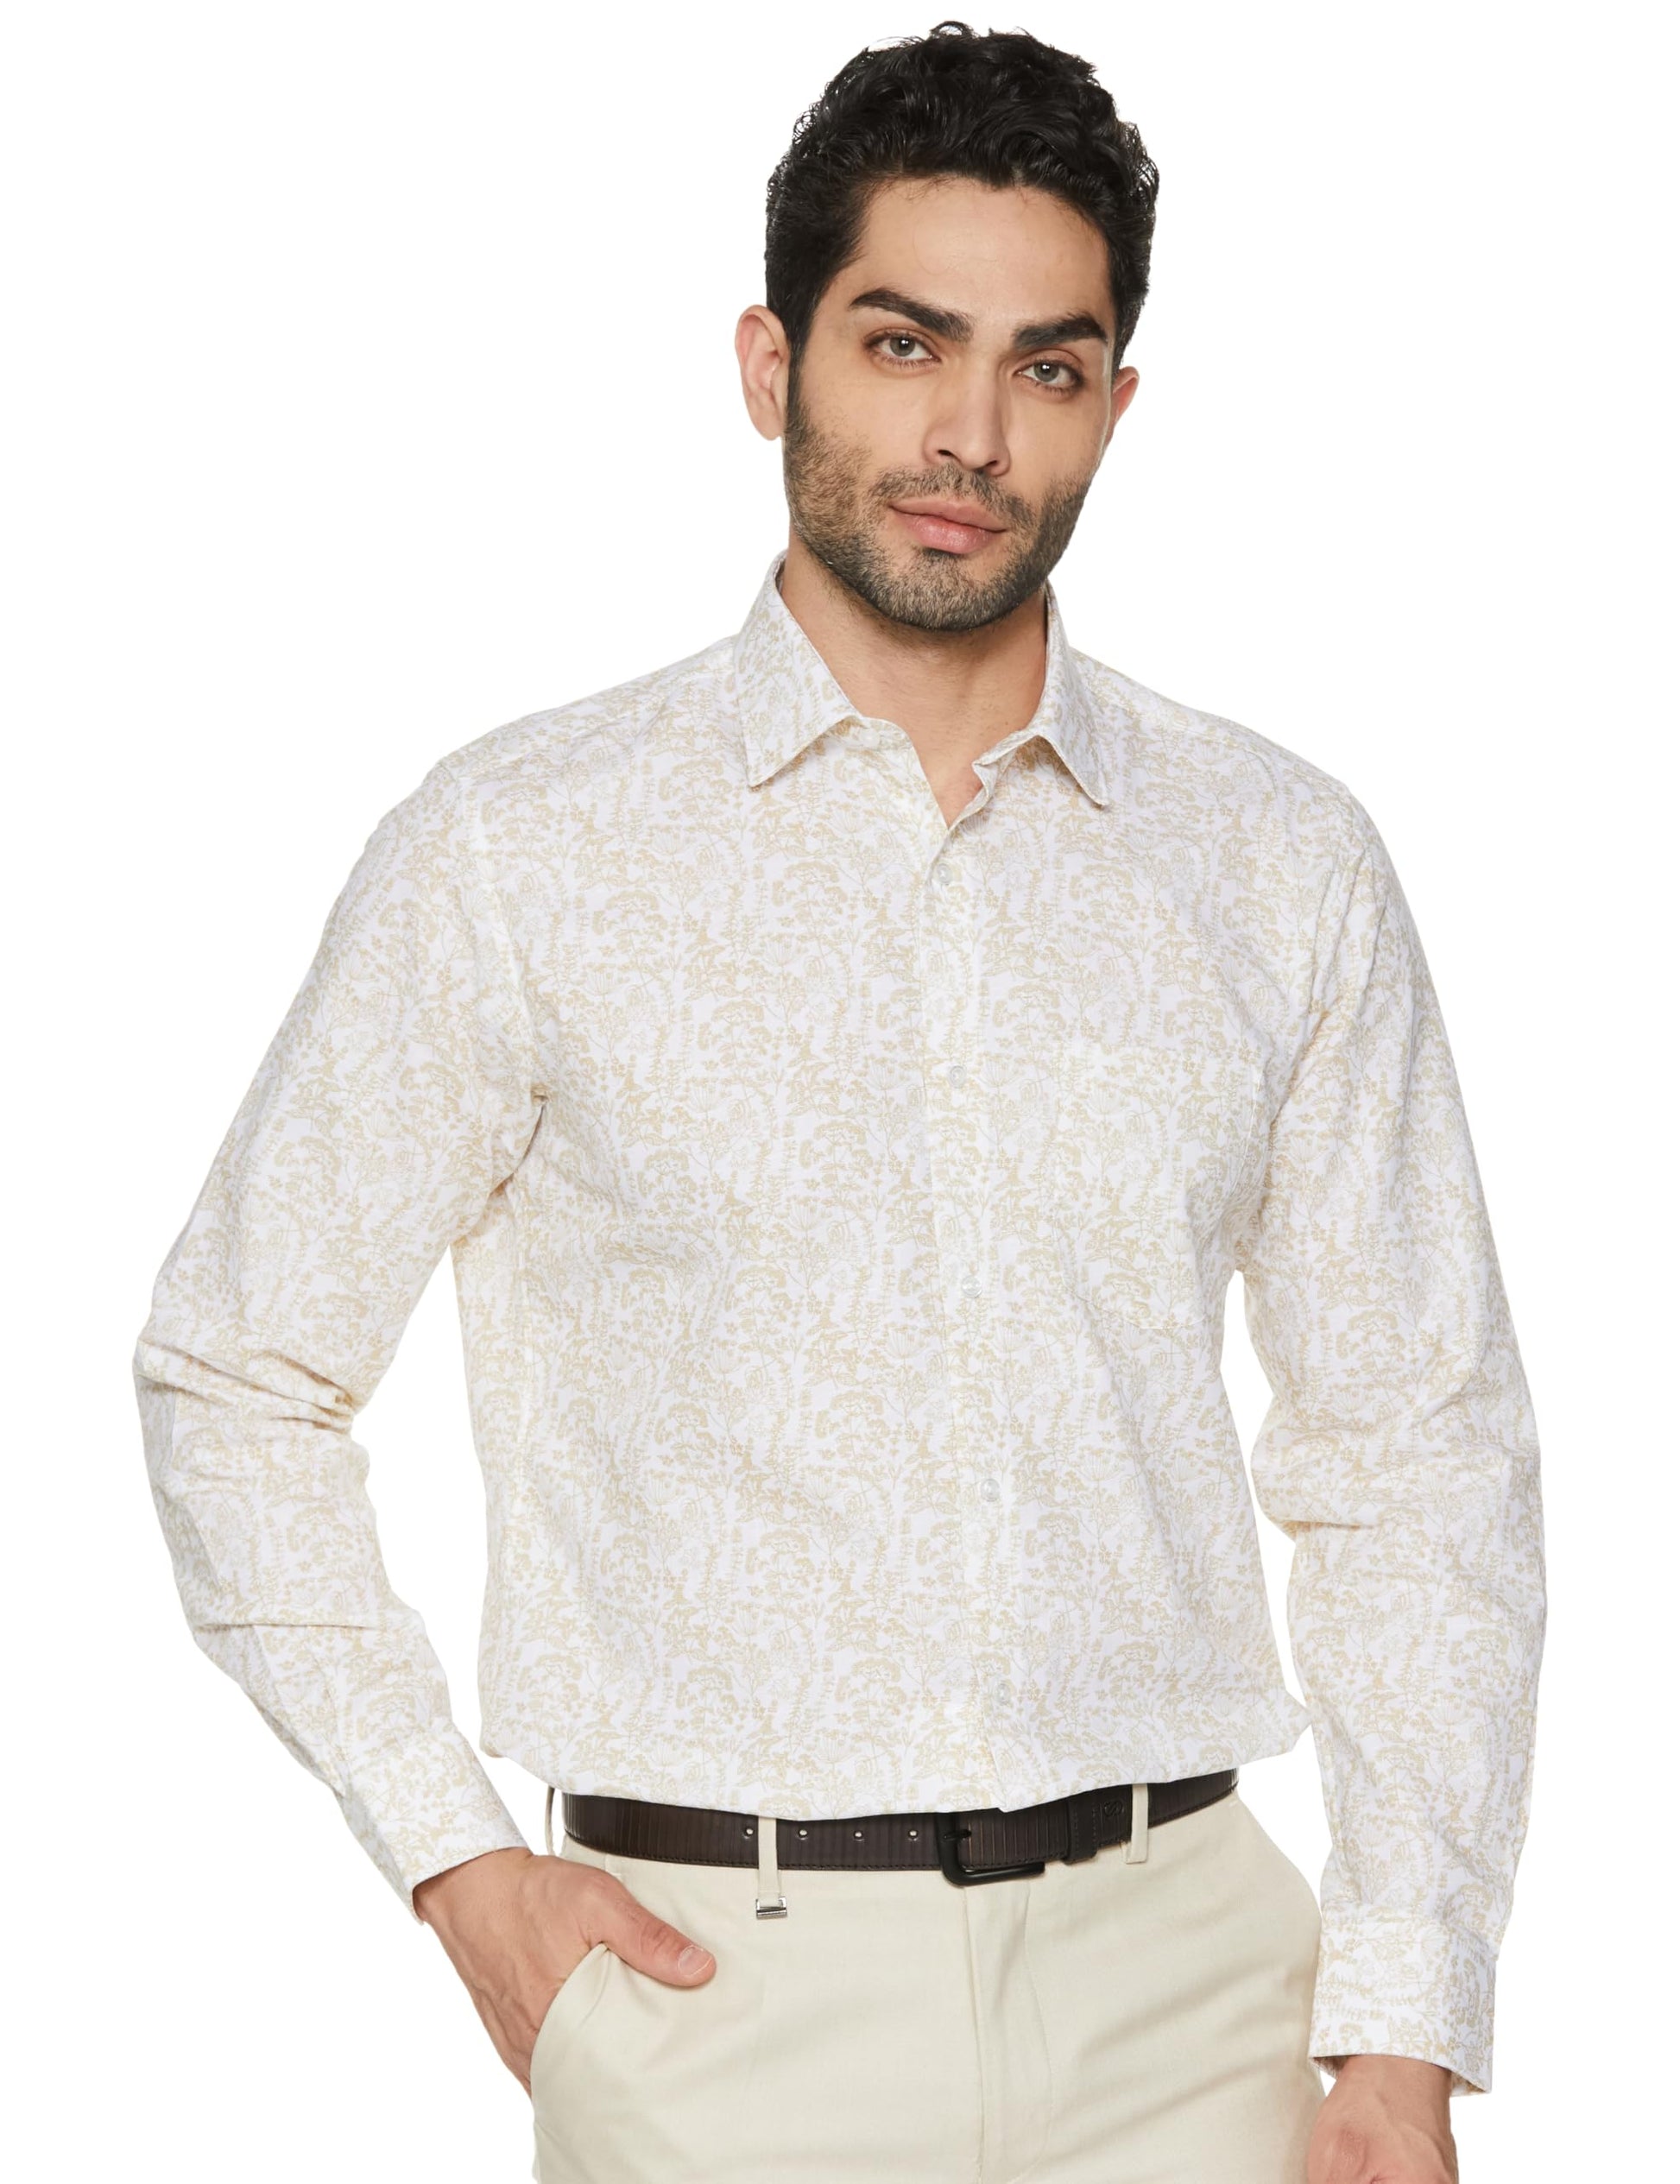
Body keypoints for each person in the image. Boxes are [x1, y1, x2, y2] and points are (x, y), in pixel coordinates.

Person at [134, 22, 1545, 2183]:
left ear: (1117, 404)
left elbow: (1417, 1453)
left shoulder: (1278, 862)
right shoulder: (520, 850)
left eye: (1046, 366)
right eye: (903, 344)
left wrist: (1402, 2018)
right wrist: (456, 1859)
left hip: (1198, 1999)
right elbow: (236, 1369)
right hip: (717, 2000)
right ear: (768, 362)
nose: (969, 433)